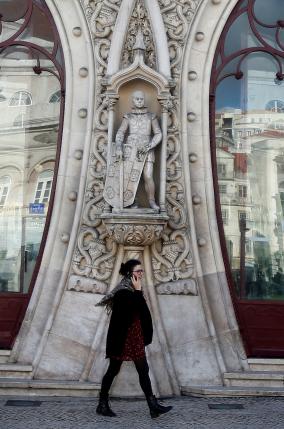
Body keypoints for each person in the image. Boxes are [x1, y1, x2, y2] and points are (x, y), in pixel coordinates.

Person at [96, 259, 172, 418]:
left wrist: (138, 291)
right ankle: (102, 404)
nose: (141, 274)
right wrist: (138, 291)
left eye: (142, 271)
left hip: (135, 336)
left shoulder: (133, 289)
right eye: (138, 271)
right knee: (113, 369)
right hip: (123, 338)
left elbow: (142, 310)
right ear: (130, 274)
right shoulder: (122, 291)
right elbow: (133, 308)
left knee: (143, 369)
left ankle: (153, 406)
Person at [103, 91, 162, 210]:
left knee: (148, 175)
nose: (139, 101)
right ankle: (130, 201)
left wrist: (150, 145)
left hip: (146, 149)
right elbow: (120, 132)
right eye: (137, 99)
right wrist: (119, 147)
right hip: (130, 150)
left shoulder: (151, 116)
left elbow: (158, 133)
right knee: (128, 177)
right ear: (133, 100)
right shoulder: (128, 116)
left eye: (141, 99)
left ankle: (151, 201)